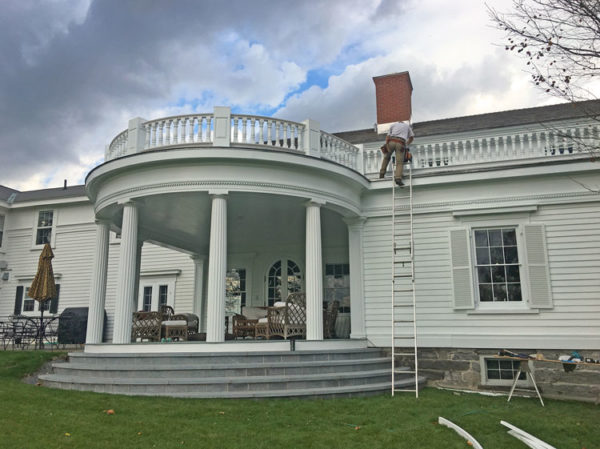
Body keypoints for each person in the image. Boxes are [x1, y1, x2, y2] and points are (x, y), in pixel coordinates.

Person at [379, 120, 414, 186]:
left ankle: (382, 174)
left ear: (398, 122)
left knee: (386, 158)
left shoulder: (393, 125)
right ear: (403, 122)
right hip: (400, 143)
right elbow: (411, 138)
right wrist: (407, 144)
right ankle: (398, 178)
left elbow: (388, 137)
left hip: (391, 141)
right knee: (399, 162)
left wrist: (387, 145)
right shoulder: (407, 126)